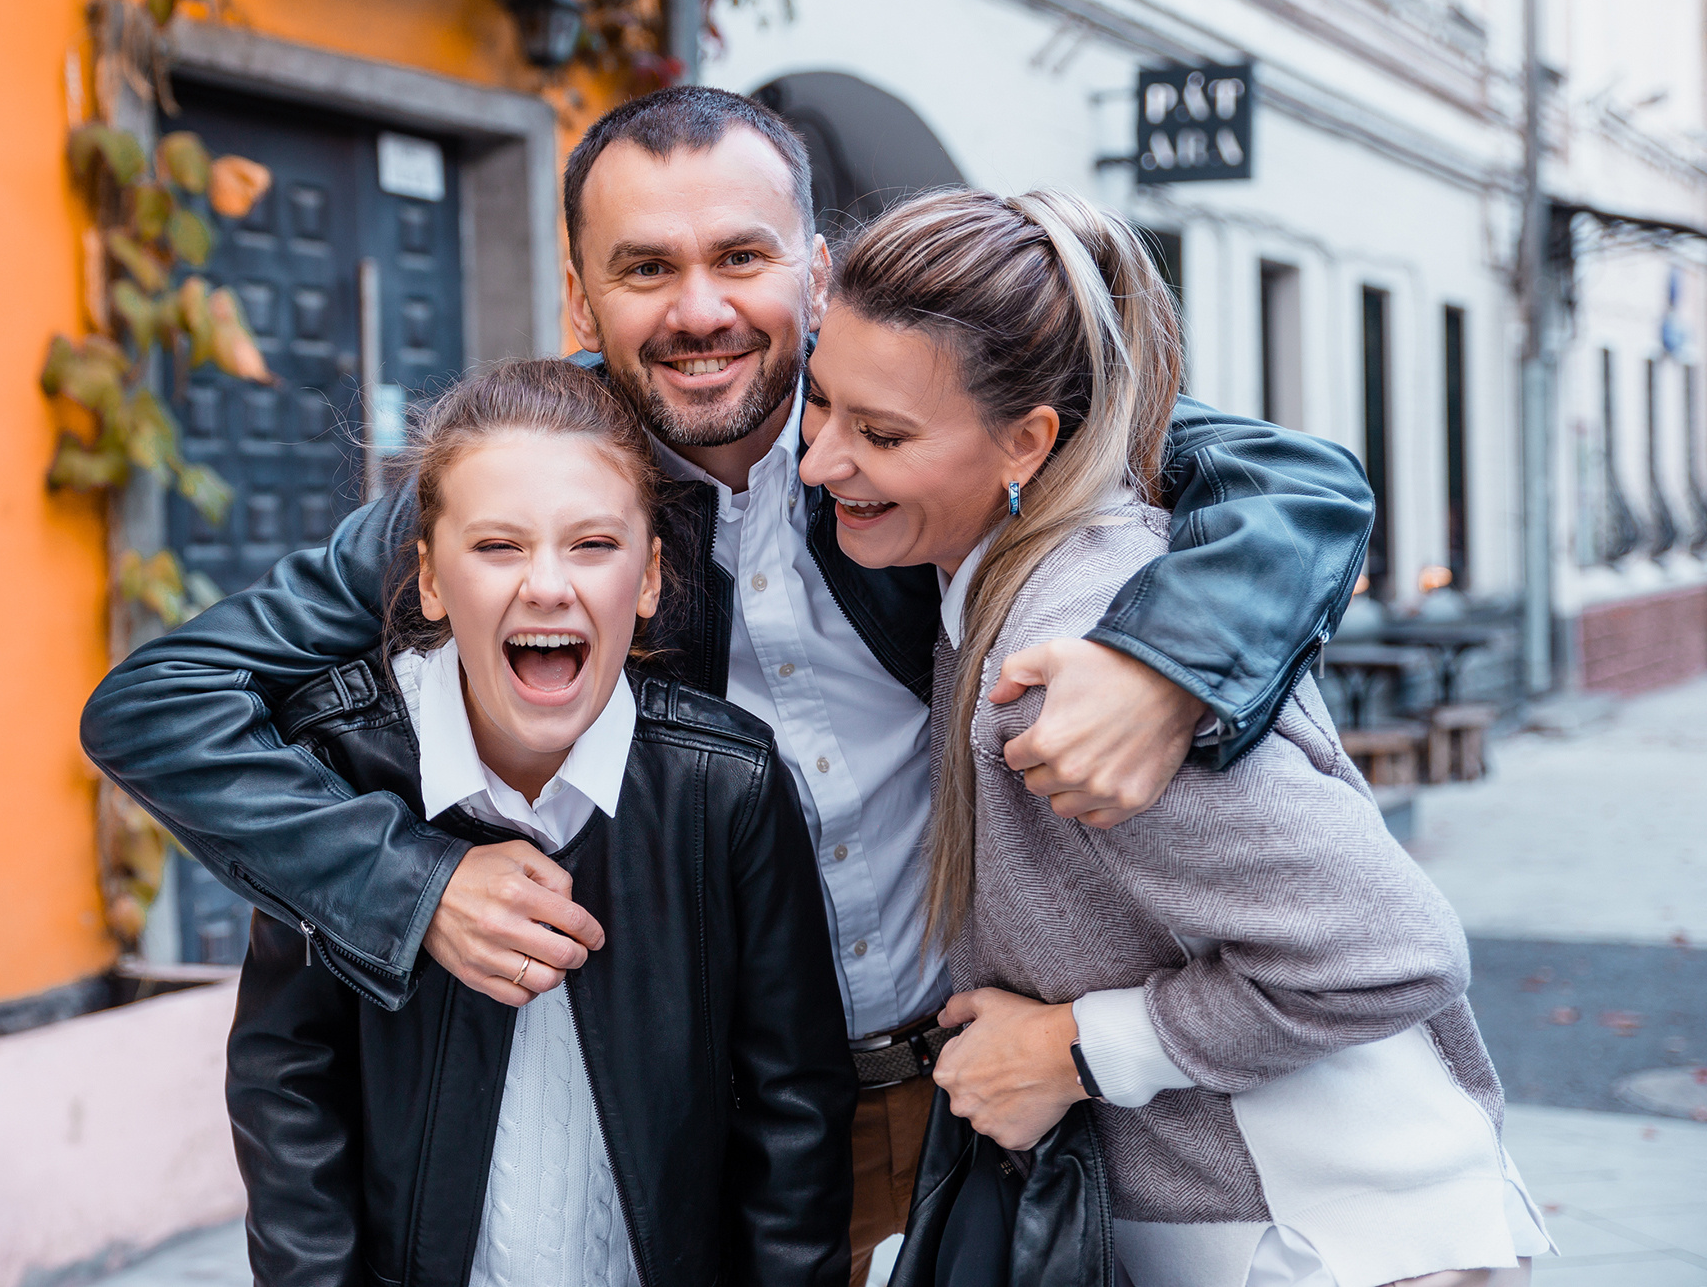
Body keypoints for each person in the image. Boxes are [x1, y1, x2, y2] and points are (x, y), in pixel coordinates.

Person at [80, 86, 1375, 1285]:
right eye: (646, 267)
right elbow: (164, 703)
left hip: (993, 1073)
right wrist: (409, 886)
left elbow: (1289, 482)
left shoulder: (921, 415)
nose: (699, 307)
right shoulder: (528, 494)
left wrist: (1164, 665)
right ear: (581, 302)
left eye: (740, 257)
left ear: (813, 273)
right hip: (730, 1118)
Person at [798, 186, 1551, 1287]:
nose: (818, 463)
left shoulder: (1058, 663)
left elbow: (1388, 949)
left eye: (879, 433)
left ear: (1027, 440)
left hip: (1321, 1244)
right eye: (820, 407)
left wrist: (1075, 1047)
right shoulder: (1011, 578)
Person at [222, 358, 857, 1287]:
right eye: (497, 547)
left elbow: (792, 1107)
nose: (548, 586)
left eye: (594, 545)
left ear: (649, 578)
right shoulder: (341, 766)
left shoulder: (730, 785)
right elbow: (288, 1080)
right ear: (430, 580)